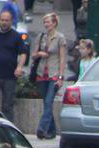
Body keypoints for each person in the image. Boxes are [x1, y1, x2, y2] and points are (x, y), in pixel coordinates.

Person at [0, 10, 27, 123]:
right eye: (2, 20)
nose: (4, 22)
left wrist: (19, 67)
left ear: (11, 21)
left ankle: (7, 130)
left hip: (10, 76)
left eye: (7, 20)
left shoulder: (16, 36)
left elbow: (23, 53)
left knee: (7, 106)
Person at [32, 13, 65, 141]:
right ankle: (51, 131)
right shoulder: (41, 37)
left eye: (48, 22)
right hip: (41, 73)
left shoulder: (60, 38)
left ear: (54, 23)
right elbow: (33, 55)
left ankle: (42, 128)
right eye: (45, 22)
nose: (46, 25)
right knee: (46, 103)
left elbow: (62, 58)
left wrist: (61, 77)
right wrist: (40, 53)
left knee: (48, 101)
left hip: (54, 74)